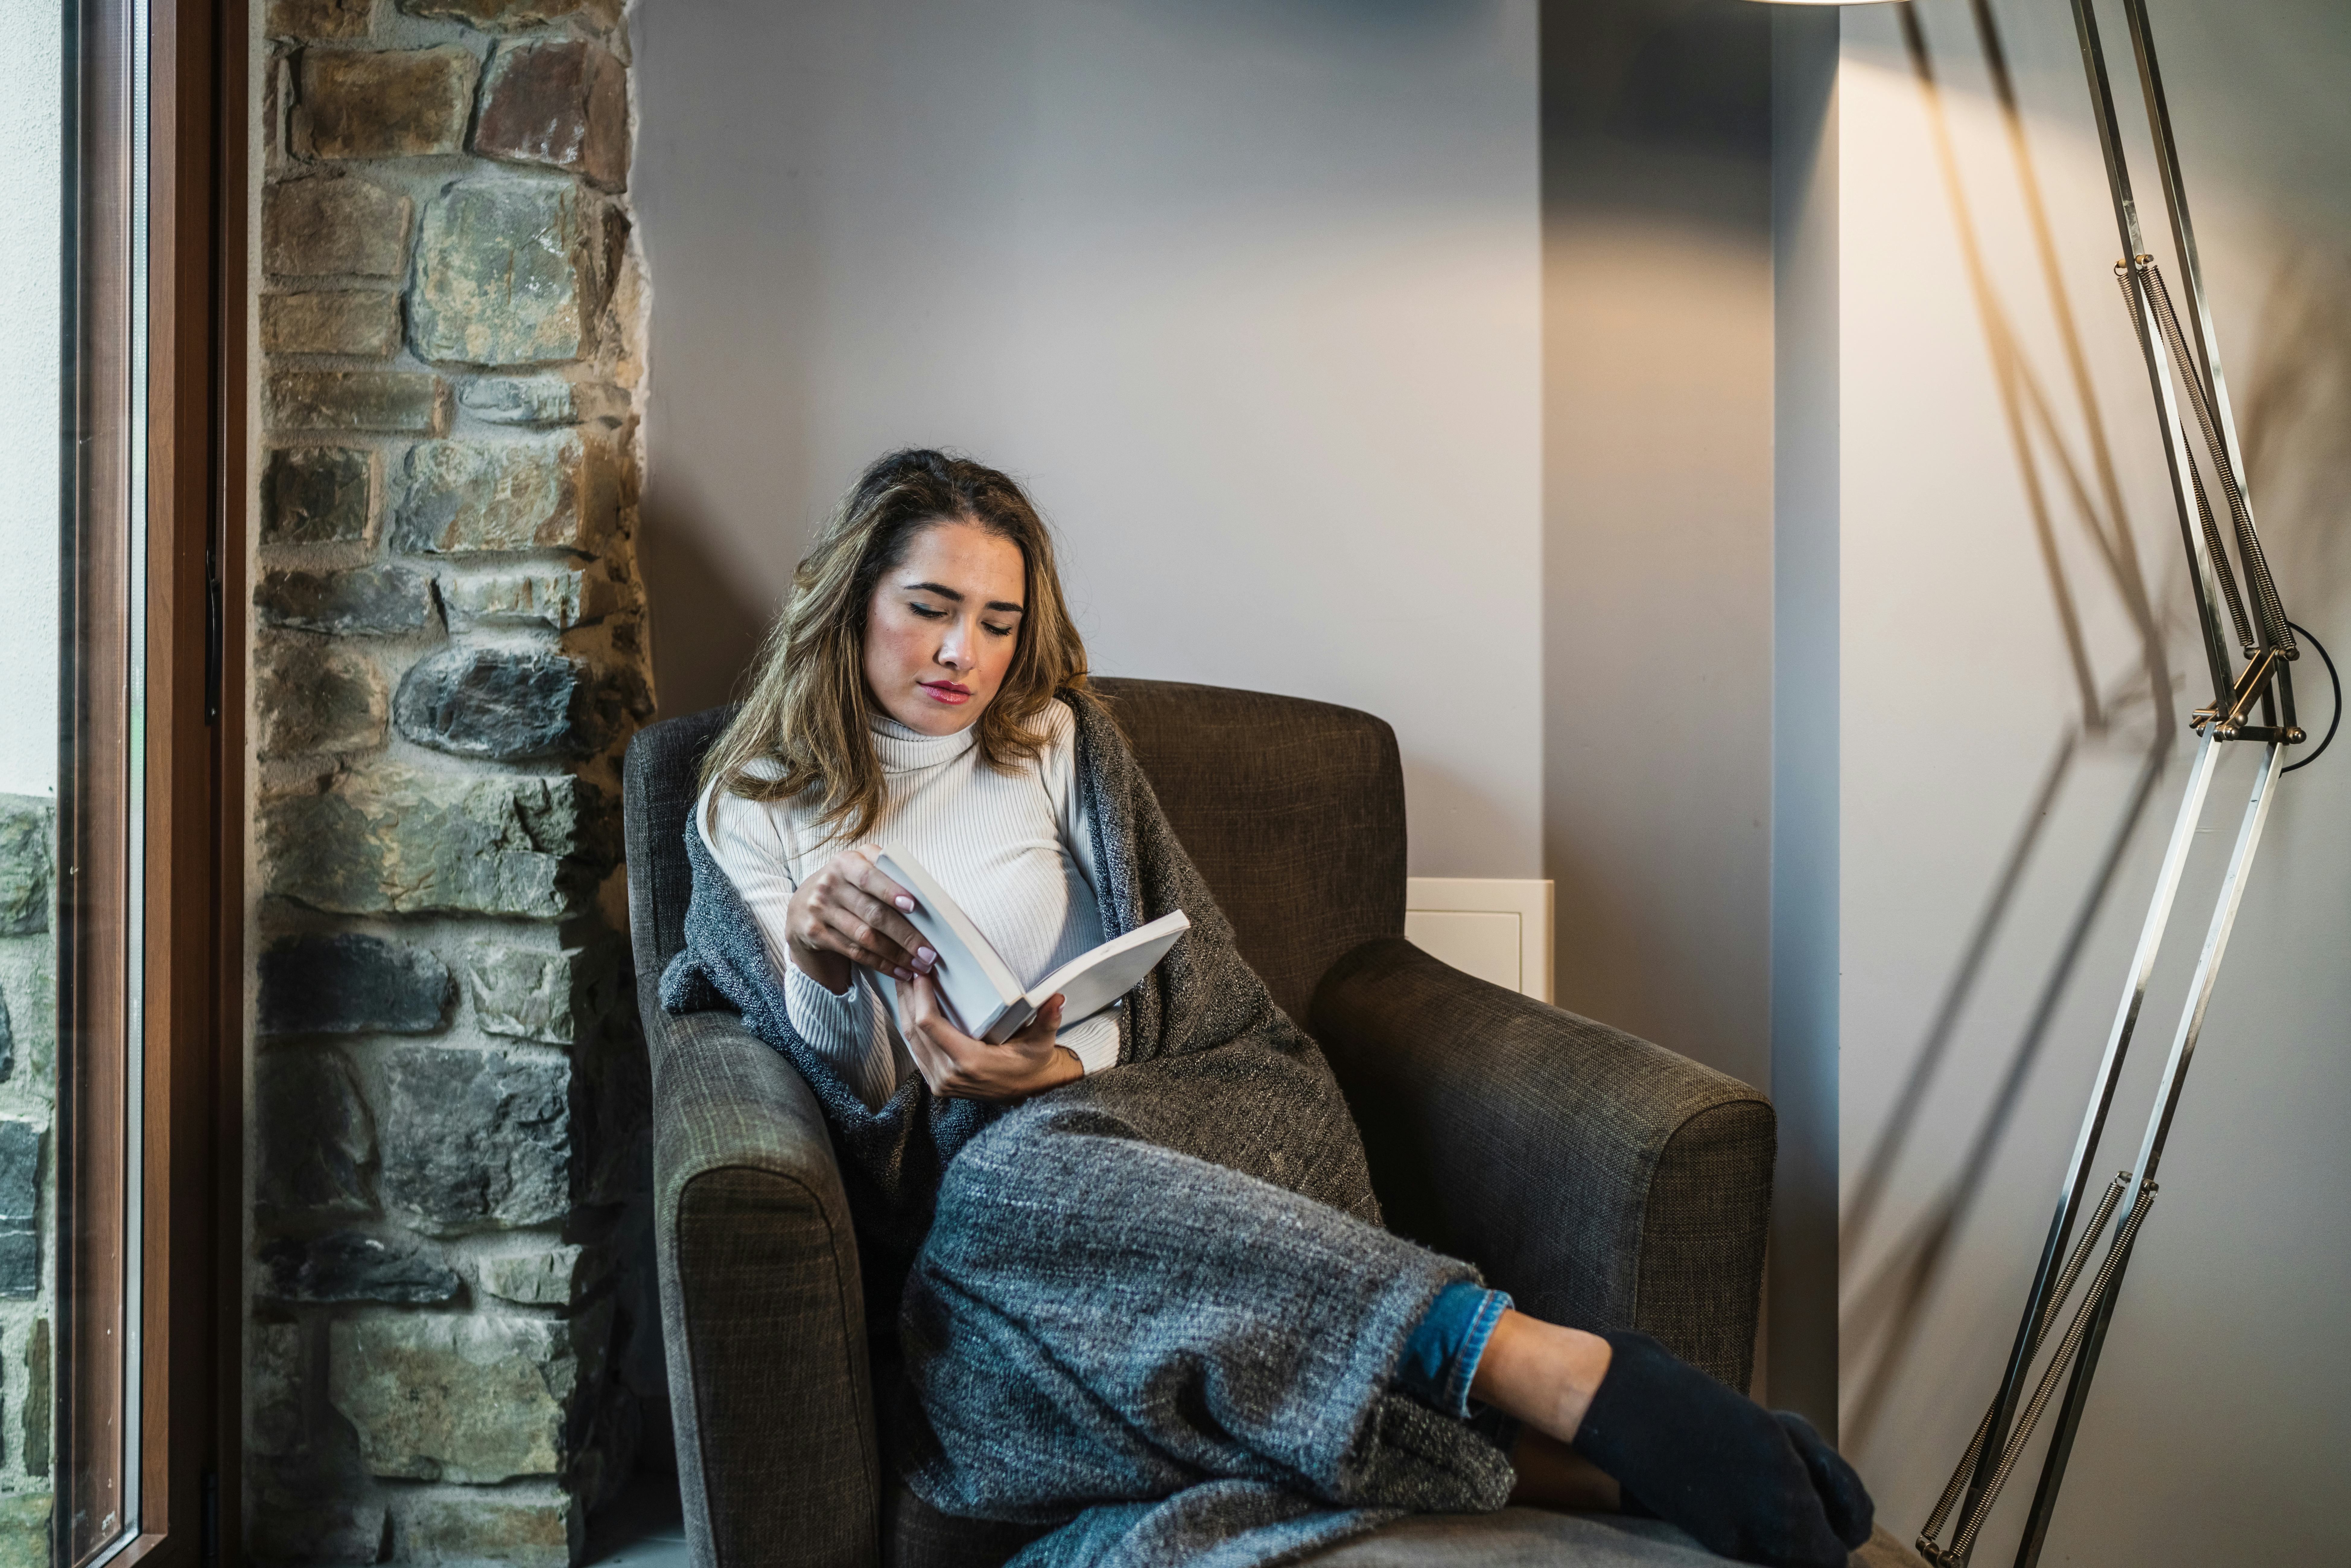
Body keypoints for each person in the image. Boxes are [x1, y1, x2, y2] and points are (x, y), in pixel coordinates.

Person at [667, 449, 1874, 1568]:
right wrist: (824, 971)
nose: (962, 657)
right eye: (930, 608)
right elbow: (843, 1099)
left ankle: (1518, 1357)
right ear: (846, 599)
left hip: (1185, 1121)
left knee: (1018, 1166)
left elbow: (1199, 982)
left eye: (997, 621)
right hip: (996, 1227)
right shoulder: (752, 812)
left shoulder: (1052, 742)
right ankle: (1547, 1436)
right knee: (989, 1198)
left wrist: (1067, 1066)